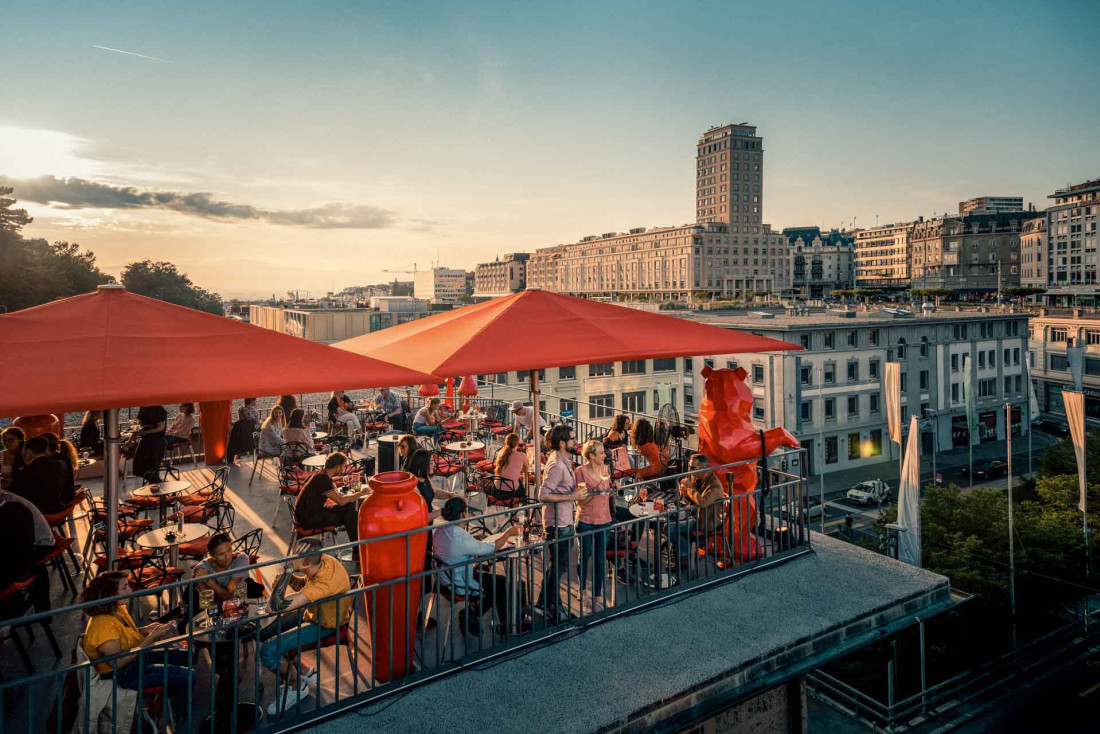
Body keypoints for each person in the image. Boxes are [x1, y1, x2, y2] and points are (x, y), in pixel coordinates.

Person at [81, 571, 194, 716]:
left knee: (188, 656)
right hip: (123, 675)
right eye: (124, 587)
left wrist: (146, 630)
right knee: (189, 676)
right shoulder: (103, 626)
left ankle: (169, 693)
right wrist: (151, 638)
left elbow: (123, 634)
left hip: (135, 658)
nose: (130, 590)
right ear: (110, 595)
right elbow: (118, 663)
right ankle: (171, 716)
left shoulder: (116, 609)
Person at [259, 539, 351, 713]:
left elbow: (273, 607)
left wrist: (288, 572)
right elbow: (307, 588)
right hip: (315, 612)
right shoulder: (323, 561)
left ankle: (297, 686)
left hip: (325, 625)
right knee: (271, 630)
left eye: (296, 557)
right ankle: (306, 671)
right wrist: (293, 576)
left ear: (307, 562)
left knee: (268, 651)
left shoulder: (323, 584)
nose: (291, 558)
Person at [433, 498, 527, 635]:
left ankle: (475, 613)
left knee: (493, 582)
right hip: (461, 582)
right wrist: (508, 533)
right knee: (502, 584)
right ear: (463, 514)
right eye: (466, 511)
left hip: (445, 580)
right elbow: (491, 548)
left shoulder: (440, 531)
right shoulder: (460, 537)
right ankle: (505, 623)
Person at [538, 424, 587, 622]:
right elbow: (542, 495)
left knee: (556, 565)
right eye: (572, 439)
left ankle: (545, 603)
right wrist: (572, 495)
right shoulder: (557, 465)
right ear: (562, 443)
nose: (575, 442)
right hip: (557, 523)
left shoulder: (564, 460)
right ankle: (553, 606)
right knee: (559, 566)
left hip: (563, 519)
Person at [575, 440, 614, 613]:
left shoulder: (605, 470)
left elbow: (607, 492)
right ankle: (583, 593)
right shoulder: (580, 472)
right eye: (601, 453)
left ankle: (597, 596)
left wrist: (614, 487)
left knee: (599, 561)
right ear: (591, 456)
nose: (605, 456)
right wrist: (596, 490)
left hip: (604, 519)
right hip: (585, 520)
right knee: (583, 558)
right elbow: (581, 500)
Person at [294, 452, 366, 542]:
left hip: (310, 512)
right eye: (343, 466)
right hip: (308, 519)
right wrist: (361, 493)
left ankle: (357, 544)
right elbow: (341, 501)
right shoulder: (323, 479)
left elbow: (333, 488)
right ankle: (357, 547)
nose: (344, 469)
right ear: (337, 467)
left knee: (348, 508)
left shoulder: (322, 473)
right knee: (350, 514)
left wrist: (342, 490)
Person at [669, 454, 726, 566]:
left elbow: (703, 502)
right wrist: (684, 492)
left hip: (704, 521)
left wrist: (689, 488)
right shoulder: (696, 477)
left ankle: (685, 554)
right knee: (668, 522)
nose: (689, 470)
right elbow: (691, 497)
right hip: (692, 514)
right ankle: (683, 552)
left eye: (693, 467)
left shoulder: (715, 486)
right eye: (689, 466)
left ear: (704, 468)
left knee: (670, 529)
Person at [12, 435, 71, 514]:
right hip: (60, 509)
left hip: (38, 513)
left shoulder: (25, 472)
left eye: (23, 451)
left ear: (29, 451)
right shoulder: (60, 464)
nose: (22, 454)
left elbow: (19, 495)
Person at [192, 533, 250, 602]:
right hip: (216, 608)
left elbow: (228, 595)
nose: (227, 556)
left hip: (240, 603)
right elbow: (208, 601)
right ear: (212, 556)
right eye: (221, 554)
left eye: (229, 550)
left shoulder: (241, 559)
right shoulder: (201, 570)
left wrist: (207, 579)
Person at [131, 405, 168, 480]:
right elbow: (139, 422)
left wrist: (147, 431)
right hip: (145, 440)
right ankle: (152, 484)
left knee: (152, 469)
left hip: (156, 441)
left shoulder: (158, 409)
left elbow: (161, 427)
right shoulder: (143, 407)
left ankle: (156, 485)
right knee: (139, 466)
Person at [1, 426, 25, 492]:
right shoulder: (1, 455)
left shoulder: (26, 455)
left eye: (10, 440)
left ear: (20, 440)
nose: (6, 443)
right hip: (5, 490)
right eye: (4, 440)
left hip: (22, 490)